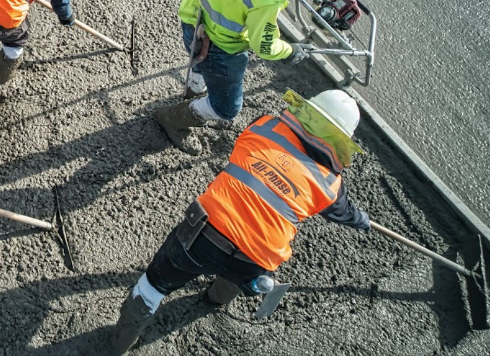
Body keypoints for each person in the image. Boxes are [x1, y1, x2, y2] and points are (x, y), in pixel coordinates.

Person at [111, 89, 371, 354]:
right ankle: (215, 299)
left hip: (202, 233)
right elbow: (345, 213)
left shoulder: (264, 126)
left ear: (307, 111)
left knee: (153, 286)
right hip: (256, 258)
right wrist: (362, 220)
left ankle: (118, 343)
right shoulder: (330, 184)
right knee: (235, 275)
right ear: (340, 141)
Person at [156, 0, 353, 155]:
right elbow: (264, 45)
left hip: (193, 13)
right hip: (220, 47)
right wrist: (290, 51)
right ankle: (174, 119)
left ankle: (193, 92)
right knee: (227, 108)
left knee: (198, 61)